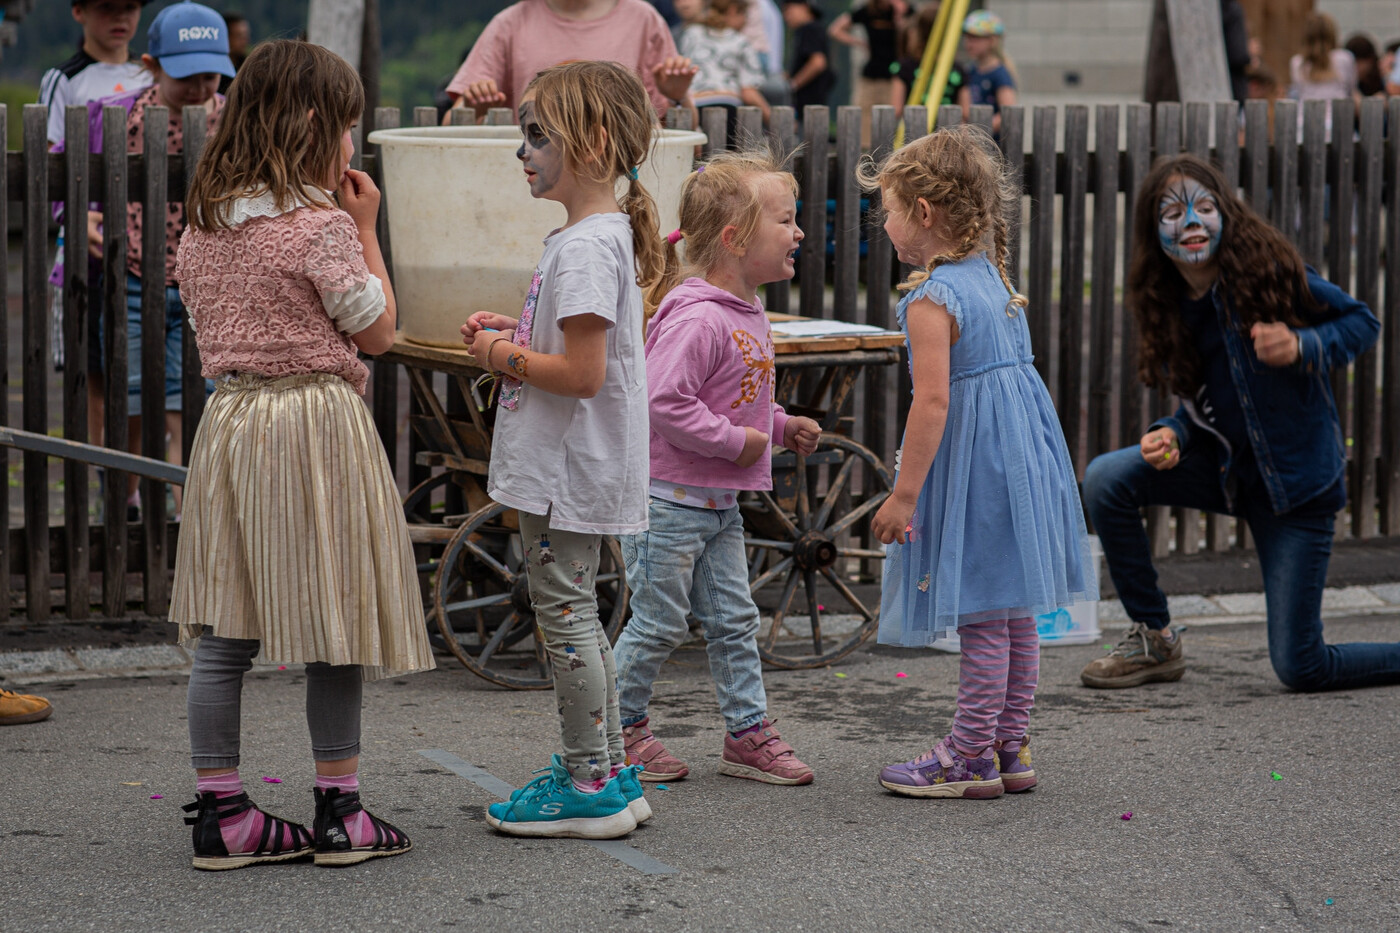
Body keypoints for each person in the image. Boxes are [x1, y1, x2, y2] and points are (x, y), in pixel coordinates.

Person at [171, 38, 435, 870]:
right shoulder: (321, 227)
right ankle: (340, 812)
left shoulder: (205, 225)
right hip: (315, 422)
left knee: (225, 625)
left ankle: (224, 815)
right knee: (336, 616)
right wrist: (364, 227)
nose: (353, 145)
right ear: (319, 124)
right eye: (349, 127)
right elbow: (381, 332)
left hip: (233, 421)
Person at [1079, 154, 1396, 694]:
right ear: (1153, 229)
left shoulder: (1267, 272)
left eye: (1204, 207)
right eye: (1173, 212)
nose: (1192, 222)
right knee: (1108, 477)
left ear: (1225, 213)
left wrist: (1301, 344)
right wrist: (1172, 434)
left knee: (1302, 666)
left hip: (1295, 490)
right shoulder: (1166, 301)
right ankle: (1155, 639)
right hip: (1227, 473)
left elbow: (1362, 322)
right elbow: (1206, 406)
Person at [859, 125, 1096, 798]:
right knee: (1014, 608)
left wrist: (903, 496)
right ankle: (1008, 743)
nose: (886, 221)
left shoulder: (931, 300)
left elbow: (932, 403)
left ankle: (967, 754)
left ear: (924, 215)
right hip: (1021, 460)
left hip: (980, 469)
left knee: (985, 612)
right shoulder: (992, 278)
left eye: (892, 208)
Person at [460, 60, 662, 839]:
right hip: (582, 465)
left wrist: (494, 358)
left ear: (595, 139)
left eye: (536, 135)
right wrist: (515, 337)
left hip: (565, 471)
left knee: (568, 619)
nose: (523, 152)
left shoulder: (583, 246)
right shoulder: (597, 237)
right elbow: (577, 352)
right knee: (583, 616)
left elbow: (580, 374)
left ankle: (586, 783)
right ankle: (608, 770)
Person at [611, 151, 821, 788]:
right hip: (669, 503)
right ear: (735, 239)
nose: (800, 233)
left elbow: (736, 396)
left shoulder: (746, 312)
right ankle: (616, 732)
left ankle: (747, 733)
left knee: (734, 621)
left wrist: (780, 427)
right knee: (656, 623)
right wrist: (742, 443)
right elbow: (663, 401)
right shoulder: (701, 316)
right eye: (786, 221)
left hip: (717, 504)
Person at [84, 0, 233, 519]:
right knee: (127, 400)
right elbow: (73, 179)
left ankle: (183, 514)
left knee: (189, 403)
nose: (198, 89)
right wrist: (78, 216)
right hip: (132, 276)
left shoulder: (232, 120)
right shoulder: (116, 115)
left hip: (206, 286)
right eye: (185, 76)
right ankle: (119, 503)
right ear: (151, 66)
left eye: (209, 75)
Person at [40, 0, 153, 449]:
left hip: (147, 246)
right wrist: (71, 213)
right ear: (79, 12)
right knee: (92, 371)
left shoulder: (153, 77)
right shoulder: (64, 79)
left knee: (145, 373)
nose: (120, 18)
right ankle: (94, 473)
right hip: (86, 247)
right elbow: (48, 163)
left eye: (129, 7)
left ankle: (136, 487)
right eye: (107, 8)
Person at [441, 0, 697, 124]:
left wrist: (676, 96)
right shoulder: (509, 23)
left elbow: (682, 134)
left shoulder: (643, 20)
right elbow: (448, 125)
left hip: (620, 187)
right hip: (529, 190)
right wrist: (474, 110)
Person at [681, 0, 771, 139]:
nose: (746, 21)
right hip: (728, 108)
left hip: (693, 109)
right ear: (733, 11)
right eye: (744, 15)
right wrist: (770, 118)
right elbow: (748, 92)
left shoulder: (691, 33)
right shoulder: (741, 41)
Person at [829, 0, 904, 146]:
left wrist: (899, 16)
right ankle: (864, 150)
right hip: (871, 74)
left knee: (891, 116)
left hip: (894, 76)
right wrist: (859, 42)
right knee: (863, 114)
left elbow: (910, 37)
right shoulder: (867, 11)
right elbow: (835, 30)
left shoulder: (903, 10)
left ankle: (890, 149)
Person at [890, 3, 967, 120]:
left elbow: (896, 109)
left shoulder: (904, 67)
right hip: (948, 133)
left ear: (917, 32)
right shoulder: (956, 68)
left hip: (915, 132)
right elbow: (965, 111)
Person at [1288, 12, 1358, 136]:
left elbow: (1297, 92)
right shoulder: (1344, 58)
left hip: (1304, 128)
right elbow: (1350, 90)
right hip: (1338, 126)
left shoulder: (1296, 62)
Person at [961, 10, 1016, 137]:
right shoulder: (970, 70)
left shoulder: (1000, 74)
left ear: (991, 41)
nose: (968, 43)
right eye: (967, 38)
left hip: (991, 144)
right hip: (973, 142)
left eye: (974, 38)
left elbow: (1007, 112)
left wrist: (979, 130)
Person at [783, 0, 836, 124]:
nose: (786, 16)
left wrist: (793, 84)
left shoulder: (809, 28)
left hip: (810, 102)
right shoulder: (809, 30)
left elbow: (818, 62)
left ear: (805, 7)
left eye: (788, 9)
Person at [218, 12, 251, 94]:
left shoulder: (249, 68)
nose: (245, 41)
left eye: (245, 35)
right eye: (239, 36)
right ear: (226, 37)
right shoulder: (215, 72)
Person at [1343, 34, 1385, 98]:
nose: (1355, 68)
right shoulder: (1346, 82)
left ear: (1370, 61)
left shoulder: (1381, 79)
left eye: (1359, 63)